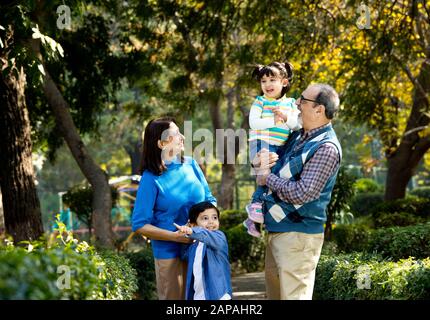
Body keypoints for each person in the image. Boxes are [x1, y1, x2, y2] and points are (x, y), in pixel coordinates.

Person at [252, 83, 342, 300]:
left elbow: (303, 193)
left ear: (319, 110)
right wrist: (259, 162)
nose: (296, 103)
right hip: (278, 230)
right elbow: (272, 164)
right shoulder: (298, 136)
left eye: (302, 100)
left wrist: (266, 178)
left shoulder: (326, 148)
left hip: (299, 235)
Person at [131, 117, 217, 300]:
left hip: (202, 248)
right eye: (176, 134)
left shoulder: (191, 165)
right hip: (169, 255)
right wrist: (176, 237)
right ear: (161, 143)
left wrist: (204, 225)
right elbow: (139, 224)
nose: (182, 137)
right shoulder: (150, 178)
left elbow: (210, 200)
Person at [244, 61, 301, 238]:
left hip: (280, 146)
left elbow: (297, 125)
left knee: (273, 177)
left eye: (272, 80)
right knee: (265, 174)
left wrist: (285, 117)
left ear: (284, 82)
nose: (267, 85)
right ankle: (255, 205)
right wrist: (274, 121)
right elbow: (254, 123)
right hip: (261, 143)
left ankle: (253, 217)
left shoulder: (291, 104)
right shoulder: (260, 102)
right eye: (263, 81)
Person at [175, 201, 232, 300]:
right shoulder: (194, 247)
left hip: (219, 294)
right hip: (199, 295)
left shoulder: (219, 237)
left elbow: (205, 235)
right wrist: (186, 233)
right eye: (205, 218)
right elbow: (184, 255)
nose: (211, 222)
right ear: (193, 224)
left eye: (215, 217)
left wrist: (191, 231)